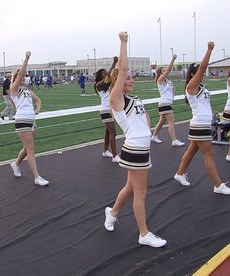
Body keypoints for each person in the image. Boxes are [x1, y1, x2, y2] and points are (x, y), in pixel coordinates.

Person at [103, 32, 167, 248]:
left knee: (131, 188)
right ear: (118, 81)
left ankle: (112, 213)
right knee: (141, 193)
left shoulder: (134, 98)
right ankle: (143, 234)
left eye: (131, 77)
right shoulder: (116, 98)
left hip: (142, 148)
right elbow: (121, 70)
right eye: (126, 77)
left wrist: (149, 130)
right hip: (135, 150)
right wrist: (123, 43)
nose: (130, 79)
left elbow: (145, 118)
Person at [173, 42, 230, 195]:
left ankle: (179, 174)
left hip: (202, 123)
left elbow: (204, 104)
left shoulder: (201, 88)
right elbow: (202, 68)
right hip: (199, 124)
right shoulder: (191, 87)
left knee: (192, 150)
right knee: (209, 155)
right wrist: (209, 50)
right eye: (199, 72)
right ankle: (218, 185)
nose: (203, 74)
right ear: (193, 75)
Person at [9, 51, 49, 186]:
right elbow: (21, 73)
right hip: (22, 120)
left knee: (27, 148)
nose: (25, 77)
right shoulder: (14, 88)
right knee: (31, 150)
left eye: (26, 76)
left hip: (32, 121)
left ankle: (16, 164)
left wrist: (38, 108)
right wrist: (26, 60)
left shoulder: (27, 90)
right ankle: (37, 177)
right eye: (23, 75)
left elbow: (38, 100)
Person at [151, 55, 185, 147]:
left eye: (164, 71)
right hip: (164, 103)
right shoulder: (160, 80)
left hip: (168, 102)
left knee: (162, 121)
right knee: (171, 121)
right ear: (160, 73)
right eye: (162, 71)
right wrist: (173, 59)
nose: (164, 72)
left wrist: (172, 97)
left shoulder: (168, 81)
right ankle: (174, 140)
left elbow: (173, 89)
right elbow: (168, 70)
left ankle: (154, 136)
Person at [95, 56, 120, 162]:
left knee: (108, 132)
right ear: (100, 76)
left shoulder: (108, 84)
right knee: (113, 133)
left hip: (111, 110)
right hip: (105, 111)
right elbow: (109, 77)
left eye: (107, 73)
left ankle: (105, 151)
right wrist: (114, 63)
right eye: (104, 73)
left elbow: (111, 78)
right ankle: (115, 156)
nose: (107, 74)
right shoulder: (98, 85)